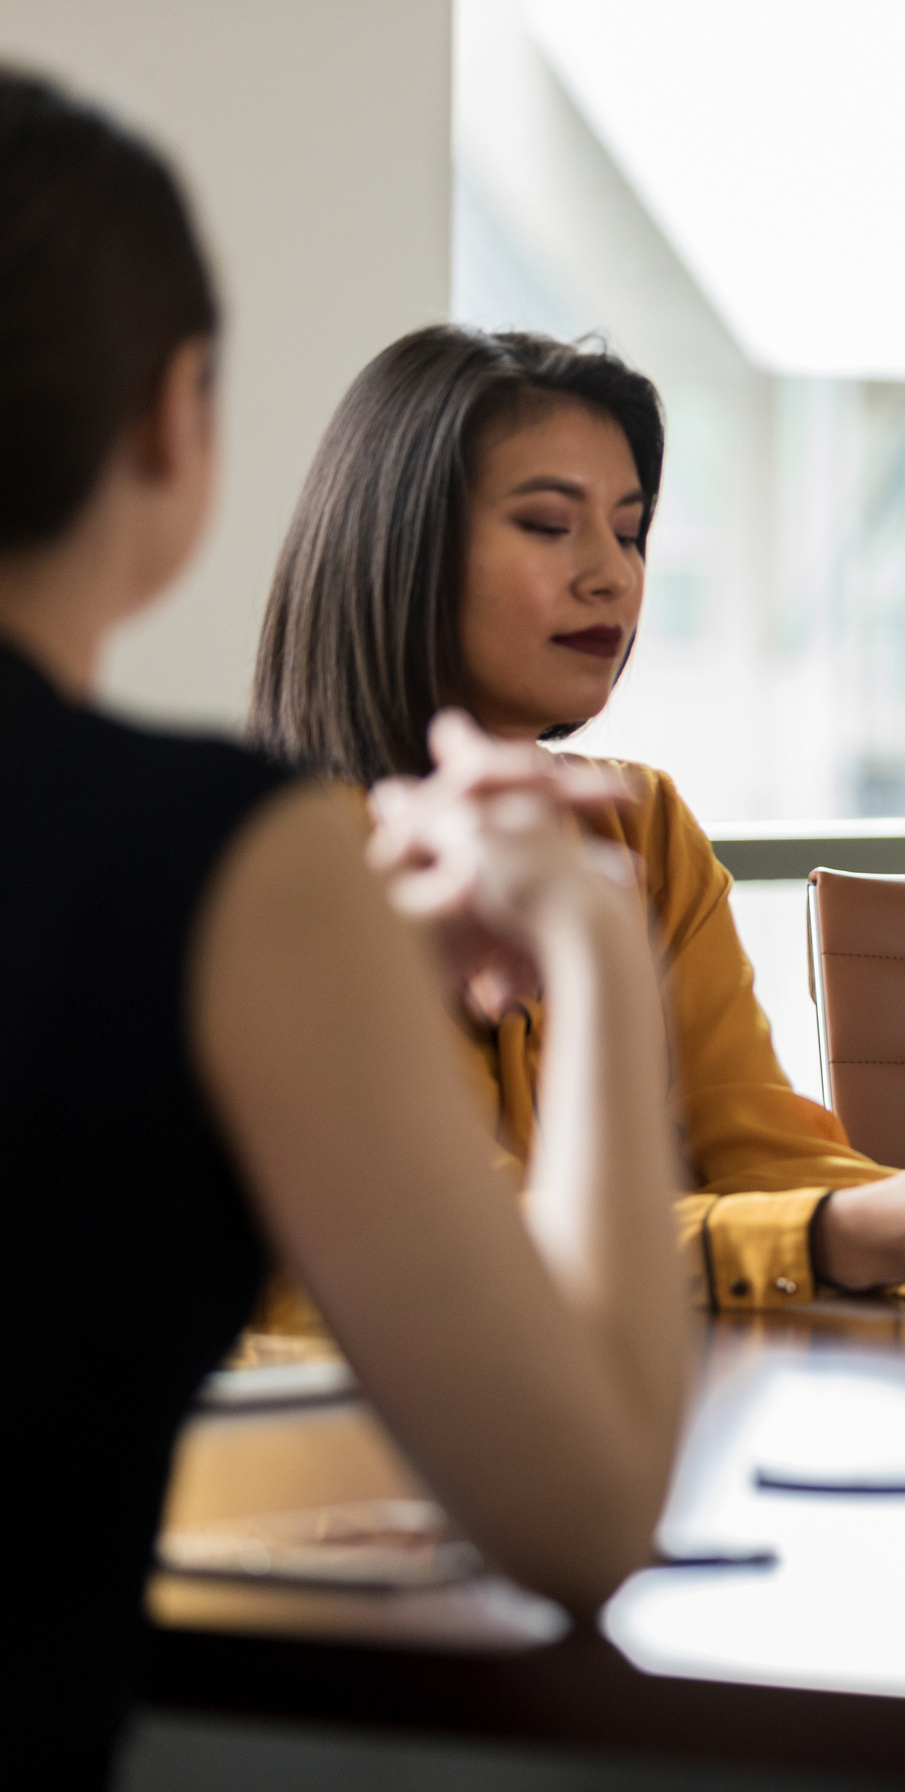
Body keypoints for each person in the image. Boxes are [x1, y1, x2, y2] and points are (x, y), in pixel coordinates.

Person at [1, 70, 711, 1783]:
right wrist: (597, 956)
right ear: (175, 426)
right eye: (548, 525)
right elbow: (585, 1505)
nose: (599, 569)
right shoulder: (218, 864)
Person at [250, 326, 905, 1317]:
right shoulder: (276, 866)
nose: (611, 575)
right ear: (399, 543)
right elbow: (458, 1247)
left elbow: (764, 1151)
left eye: (630, 531)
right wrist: (861, 1236)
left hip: (620, 1401)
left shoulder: (641, 823)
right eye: (548, 524)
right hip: (327, 1441)